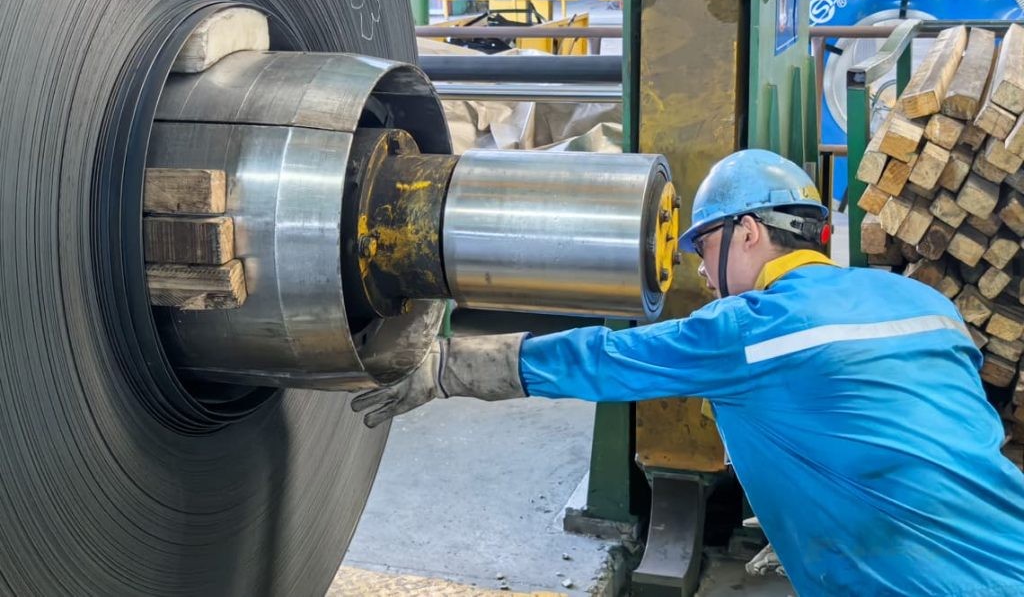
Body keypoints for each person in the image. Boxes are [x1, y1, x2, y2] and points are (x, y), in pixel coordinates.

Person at [351, 149, 1024, 596]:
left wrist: (447, 366)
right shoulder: (924, 304)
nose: (702, 273)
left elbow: (605, 359)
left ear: (750, 233)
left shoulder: (754, 332)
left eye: (704, 246)